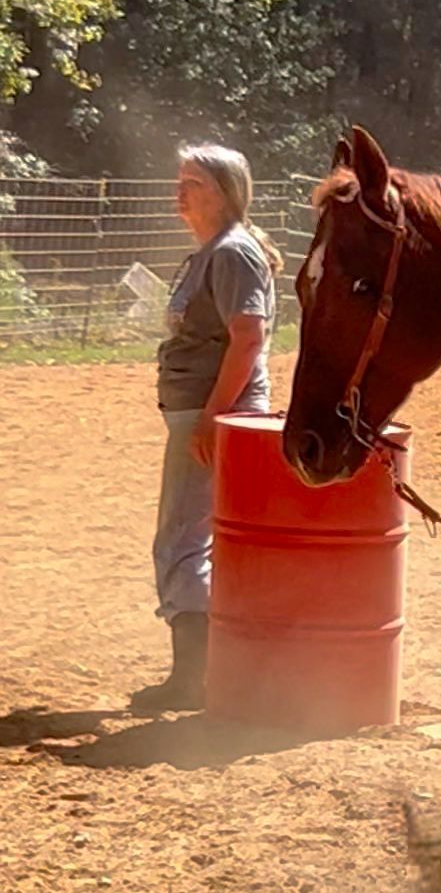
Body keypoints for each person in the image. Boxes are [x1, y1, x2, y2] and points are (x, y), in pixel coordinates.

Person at [131, 144, 280, 713]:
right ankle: (200, 671)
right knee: (191, 535)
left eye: (192, 181)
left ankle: (191, 680)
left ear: (222, 192)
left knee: (183, 539)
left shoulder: (232, 253)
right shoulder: (214, 252)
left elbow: (248, 337)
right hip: (202, 411)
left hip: (212, 412)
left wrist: (218, 416)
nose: (180, 190)